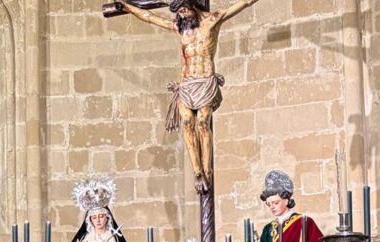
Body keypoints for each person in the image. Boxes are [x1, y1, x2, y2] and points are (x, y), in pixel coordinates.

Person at [113, 0, 267, 194]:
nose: (183, 15)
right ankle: (197, 172)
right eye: (180, 12)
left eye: (185, 10)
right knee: (187, 121)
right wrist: (127, 7)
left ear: (193, 5)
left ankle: (207, 171)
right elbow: (148, 16)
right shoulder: (180, 26)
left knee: (202, 122)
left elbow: (243, 4)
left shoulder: (212, 21)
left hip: (205, 82)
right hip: (186, 84)